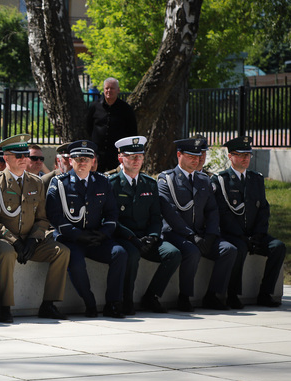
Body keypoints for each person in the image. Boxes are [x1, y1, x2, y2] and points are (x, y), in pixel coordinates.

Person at [0, 135, 70, 321]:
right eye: (18, 156)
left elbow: (42, 218)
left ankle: (49, 304)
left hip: (29, 240)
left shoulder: (35, 182)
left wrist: (33, 239)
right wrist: (14, 242)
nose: (24, 159)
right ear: (6, 158)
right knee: (6, 254)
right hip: (3, 239)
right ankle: (4, 306)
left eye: (25, 155)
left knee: (61, 251)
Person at [46, 140, 127, 319]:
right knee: (75, 262)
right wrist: (77, 235)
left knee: (119, 253)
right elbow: (55, 216)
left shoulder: (103, 182)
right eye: (78, 158)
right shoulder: (59, 183)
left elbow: (112, 213)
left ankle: (113, 304)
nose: (82, 162)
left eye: (86, 159)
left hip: (96, 237)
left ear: (93, 161)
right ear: (71, 161)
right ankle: (89, 303)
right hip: (71, 238)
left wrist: (104, 233)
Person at [158, 137, 236, 311]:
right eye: (190, 156)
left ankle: (212, 296)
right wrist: (192, 236)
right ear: (179, 155)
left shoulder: (204, 180)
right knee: (192, 252)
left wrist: (210, 235)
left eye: (198, 155)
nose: (196, 159)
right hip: (176, 234)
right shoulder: (167, 179)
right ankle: (184, 297)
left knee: (228, 250)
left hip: (201, 234)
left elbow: (212, 210)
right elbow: (170, 213)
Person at [109, 136, 181, 315]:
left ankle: (151, 296)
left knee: (173, 253)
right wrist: (132, 238)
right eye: (131, 156)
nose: (136, 160)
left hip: (147, 237)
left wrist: (153, 236)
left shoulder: (149, 183)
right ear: (121, 158)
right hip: (125, 237)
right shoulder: (111, 184)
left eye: (139, 156)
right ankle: (126, 300)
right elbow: (111, 219)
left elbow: (156, 216)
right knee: (131, 255)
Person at [211, 136, 284, 308]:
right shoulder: (221, 180)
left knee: (278, 247)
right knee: (240, 248)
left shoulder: (256, 178)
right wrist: (241, 236)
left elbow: (263, 209)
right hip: (233, 234)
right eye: (240, 155)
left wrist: (259, 234)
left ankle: (265, 293)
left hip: (255, 234)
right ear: (230, 157)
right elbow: (223, 213)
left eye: (248, 155)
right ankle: (232, 294)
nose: (245, 158)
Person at [85, 77, 137, 172]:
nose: (109, 91)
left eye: (112, 88)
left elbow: (132, 131)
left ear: (118, 90)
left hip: (117, 155)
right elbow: (88, 127)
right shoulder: (94, 107)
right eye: (107, 88)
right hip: (97, 154)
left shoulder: (126, 109)